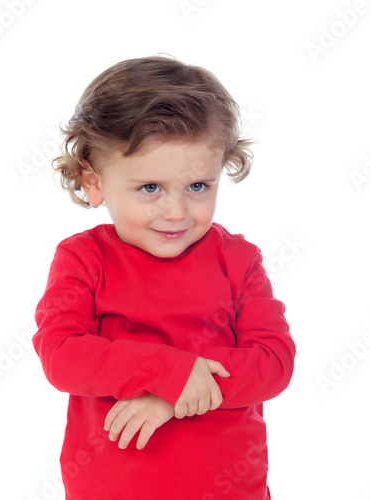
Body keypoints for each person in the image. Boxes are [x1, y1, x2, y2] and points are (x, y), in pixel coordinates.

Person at [33, 55, 295, 500]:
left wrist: (174, 396)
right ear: (94, 182)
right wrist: (170, 372)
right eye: (150, 188)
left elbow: (273, 361)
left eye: (198, 187)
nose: (176, 212)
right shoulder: (83, 258)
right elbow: (62, 354)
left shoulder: (239, 259)